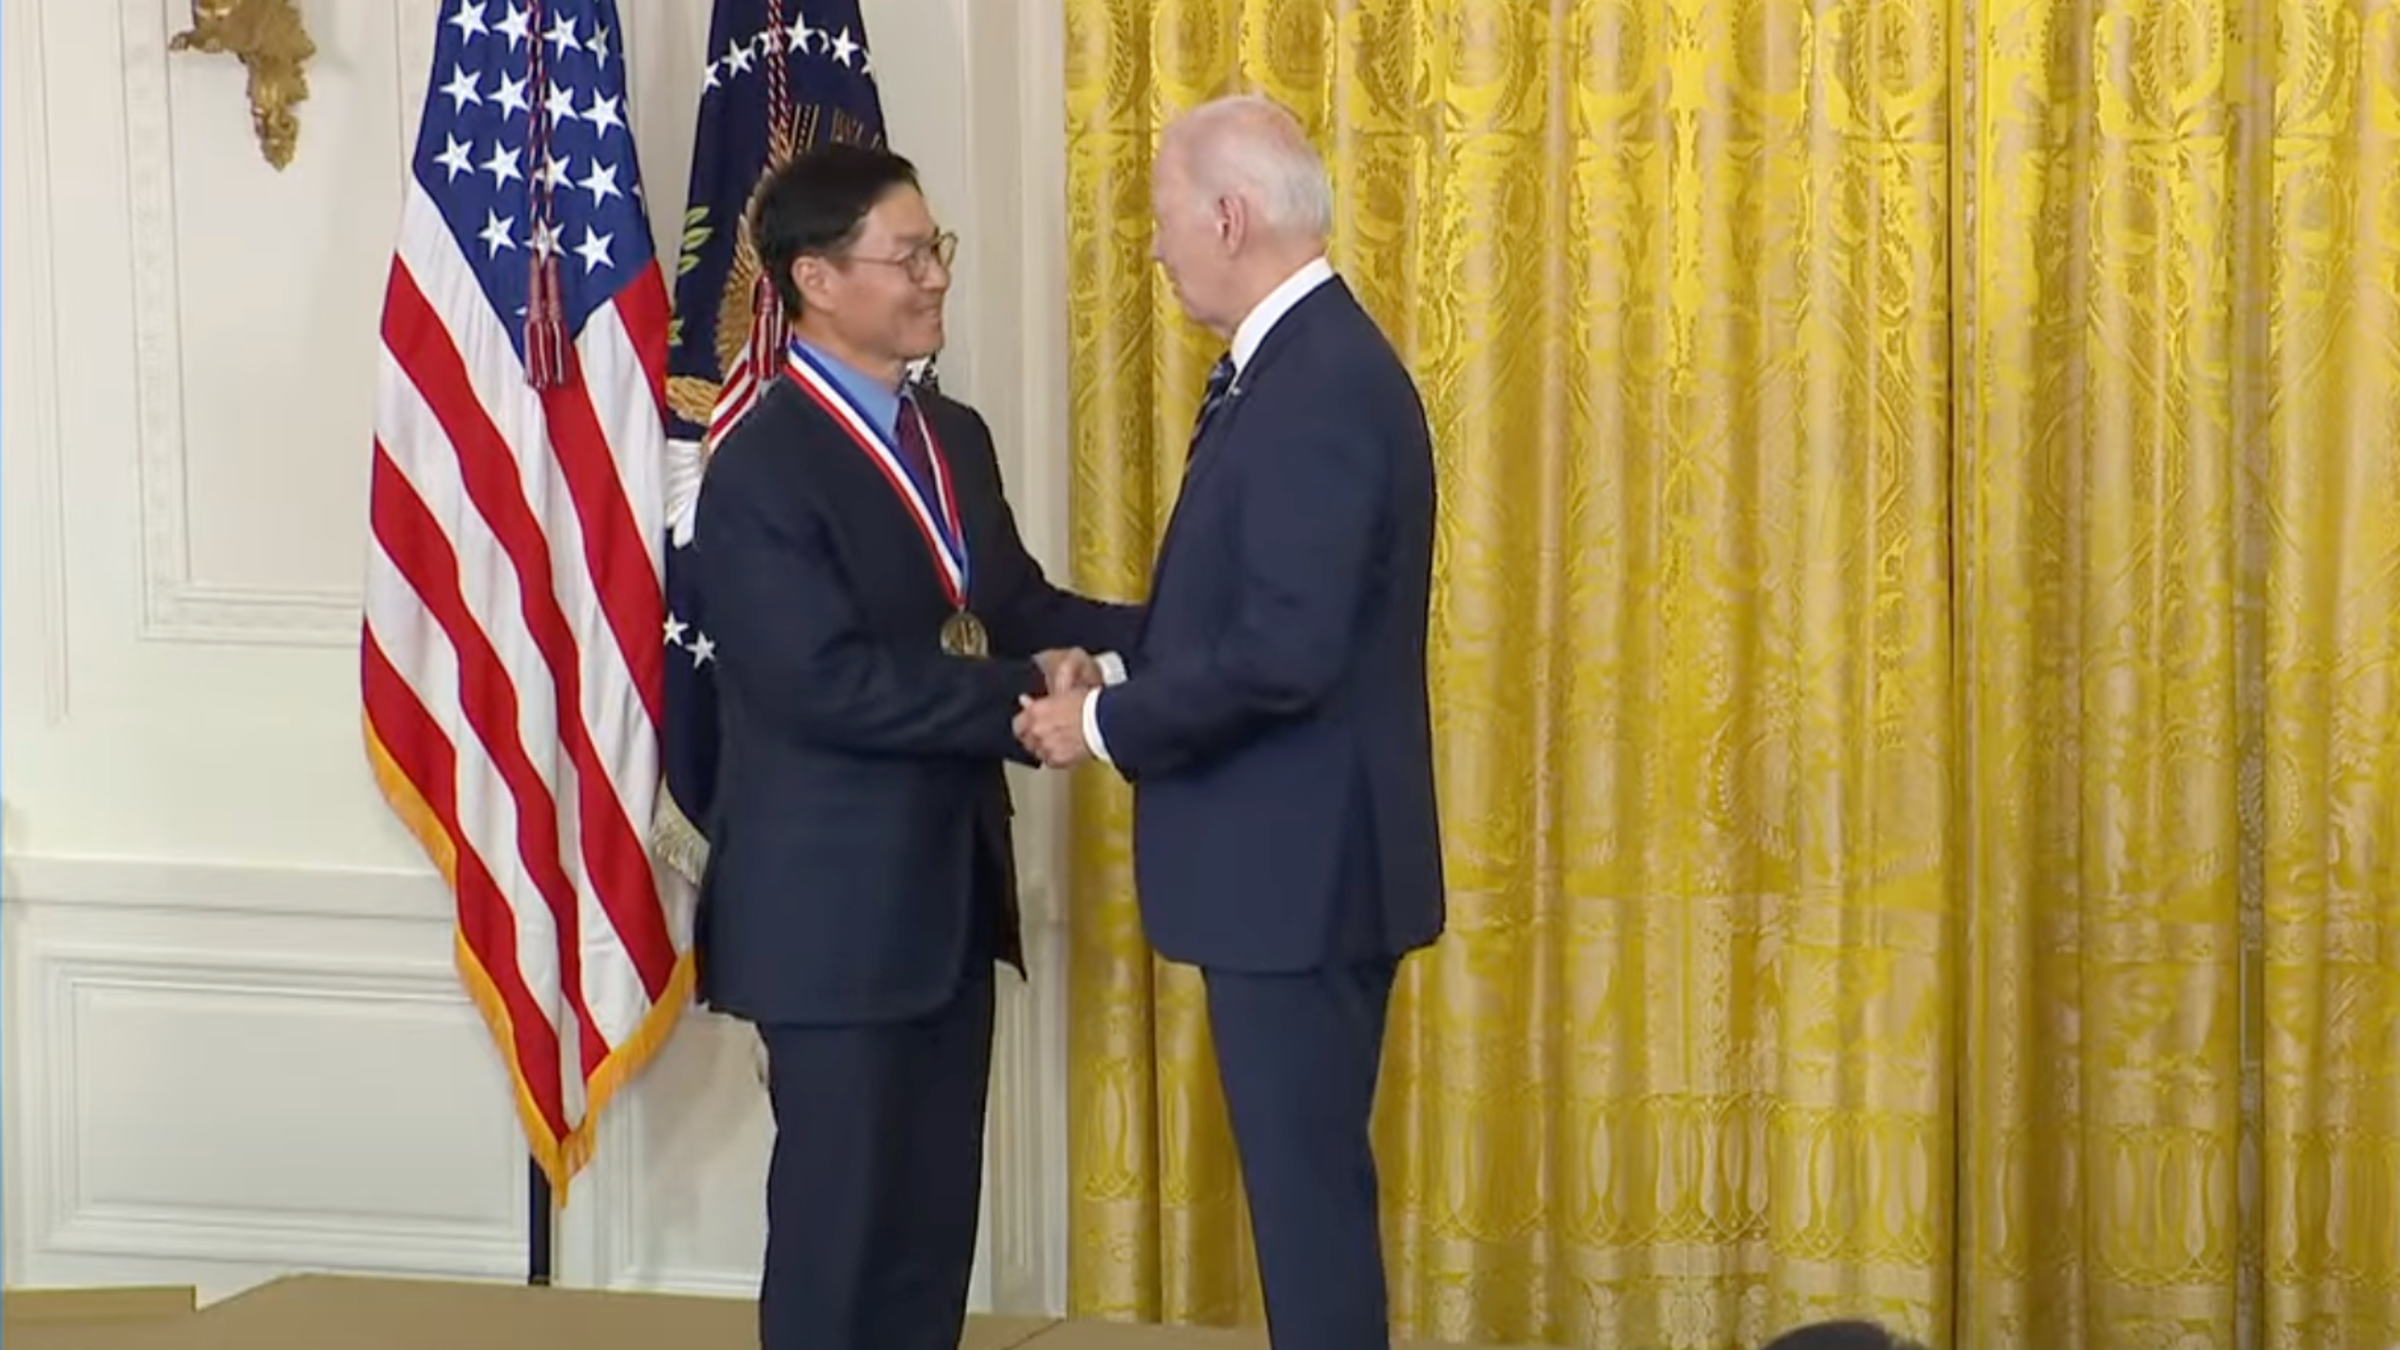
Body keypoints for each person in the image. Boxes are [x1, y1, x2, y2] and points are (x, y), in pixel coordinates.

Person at [690, 141, 1140, 1350]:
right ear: (816, 280)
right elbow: (820, 686)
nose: (936, 276)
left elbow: (1022, 607)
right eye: (910, 254)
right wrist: (1022, 702)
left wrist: (1190, 638)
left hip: (947, 904)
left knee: (932, 1238)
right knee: (843, 1242)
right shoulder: (763, 466)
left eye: (939, 249)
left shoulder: (955, 435)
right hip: (832, 921)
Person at [1014, 94, 1446, 1350]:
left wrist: (1099, 727)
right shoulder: (1301, 367)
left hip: (1297, 878)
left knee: (1308, 1210)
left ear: (1230, 214)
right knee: (1306, 1197)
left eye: (1161, 218)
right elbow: (1242, 617)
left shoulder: (1315, 382)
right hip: (1295, 871)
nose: (1153, 247)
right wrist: (1103, 656)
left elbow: (1288, 654)